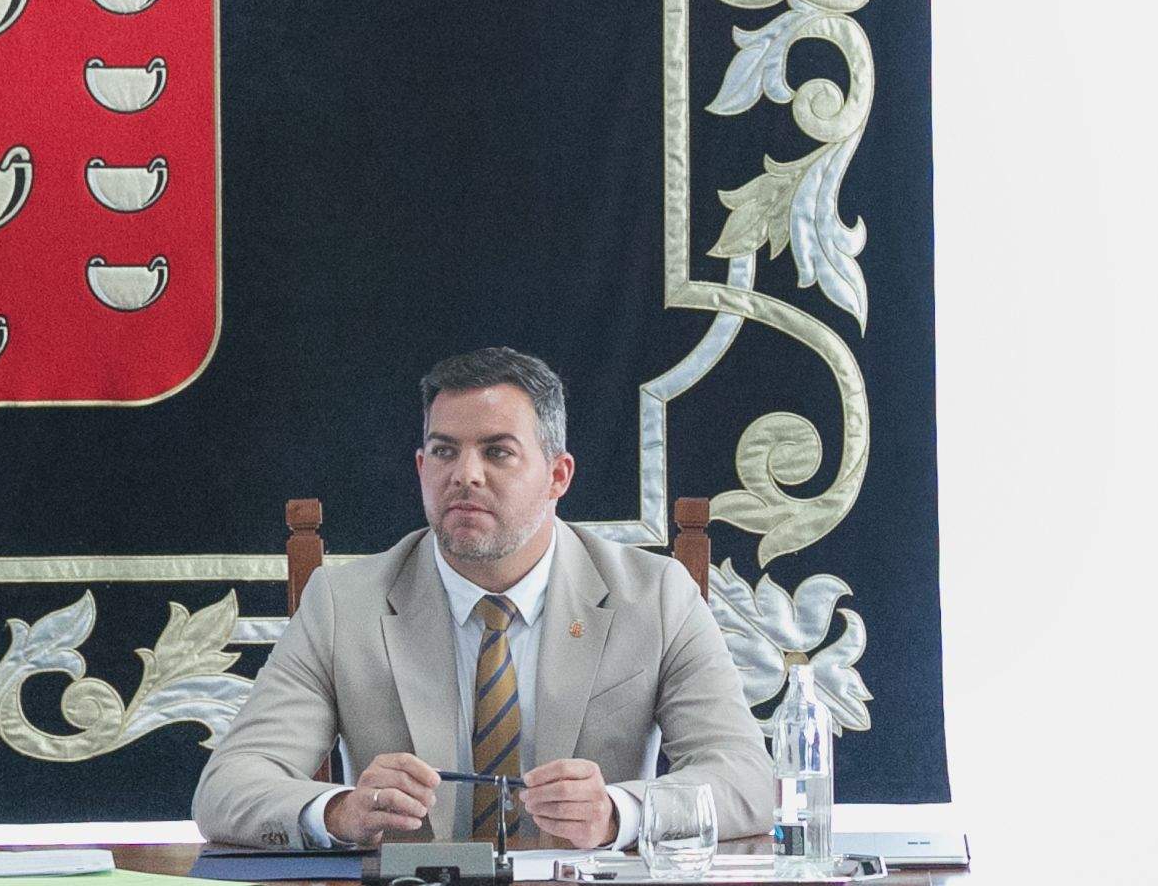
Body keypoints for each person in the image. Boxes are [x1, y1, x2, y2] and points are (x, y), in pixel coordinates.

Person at [194, 345, 771, 853]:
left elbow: (746, 780)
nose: (465, 475)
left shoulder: (655, 597)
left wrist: (621, 812)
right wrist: (339, 811)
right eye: (444, 452)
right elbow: (227, 788)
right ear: (421, 468)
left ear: (558, 476)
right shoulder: (345, 604)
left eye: (498, 452)